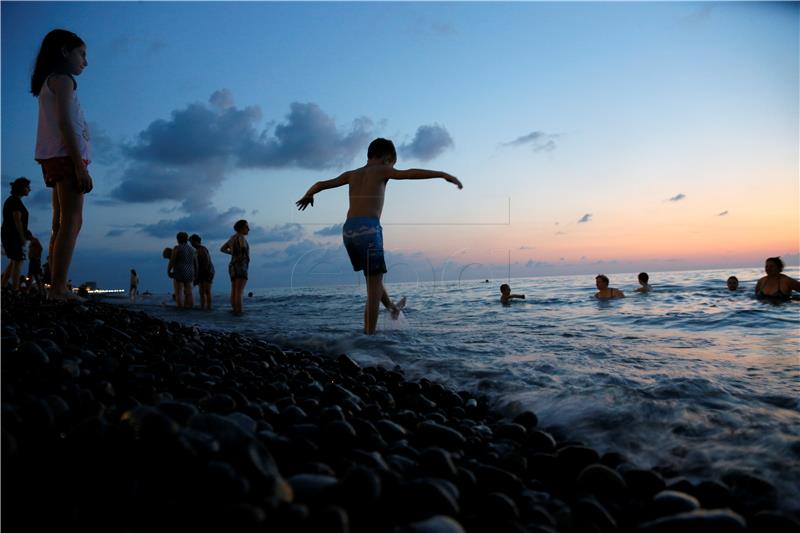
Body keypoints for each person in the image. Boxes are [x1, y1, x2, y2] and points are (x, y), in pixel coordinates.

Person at [296, 138, 462, 334]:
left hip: (348, 230)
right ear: (387, 159)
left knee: (373, 279)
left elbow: (320, 183)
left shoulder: (352, 174)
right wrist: (442, 174)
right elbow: (409, 174)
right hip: (369, 229)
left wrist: (309, 194)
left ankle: (392, 308)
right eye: (392, 164)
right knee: (373, 290)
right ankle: (368, 340)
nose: (392, 168)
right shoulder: (382, 170)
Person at [32, 29, 93, 300]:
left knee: (60, 222)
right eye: (82, 54)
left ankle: (57, 284)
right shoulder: (63, 81)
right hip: (66, 156)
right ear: (64, 51)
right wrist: (79, 165)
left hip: (54, 156)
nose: (85, 61)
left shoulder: (50, 82)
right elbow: (65, 123)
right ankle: (58, 287)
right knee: (72, 220)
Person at [1, 178, 31, 291]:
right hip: (13, 235)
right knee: (18, 261)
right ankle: (15, 289)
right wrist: (22, 236)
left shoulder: (13, 200)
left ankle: (3, 285)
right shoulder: (15, 201)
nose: (30, 189)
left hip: (9, 234)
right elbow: (17, 220)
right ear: (22, 188)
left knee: (14, 261)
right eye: (28, 187)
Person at [221, 220, 250, 315]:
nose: (248, 229)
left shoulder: (232, 238)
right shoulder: (241, 237)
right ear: (241, 228)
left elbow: (222, 249)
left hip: (232, 265)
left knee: (234, 290)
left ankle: (234, 311)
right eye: (247, 227)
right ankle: (239, 312)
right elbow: (243, 248)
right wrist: (241, 256)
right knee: (240, 291)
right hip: (241, 265)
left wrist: (233, 253)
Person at [167, 232, 197, 308]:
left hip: (180, 271)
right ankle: (190, 309)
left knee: (179, 291)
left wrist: (168, 270)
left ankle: (180, 310)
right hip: (190, 271)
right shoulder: (192, 249)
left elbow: (172, 261)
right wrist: (196, 273)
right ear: (187, 239)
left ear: (178, 239)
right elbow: (196, 263)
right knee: (189, 292)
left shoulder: (177, 248)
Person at [189, 234, 214, 310]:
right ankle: (203, 307)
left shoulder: (202, 249)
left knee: (206, 291)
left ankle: (208, 308)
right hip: (202, 272)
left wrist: (199, 275)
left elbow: (206, 262)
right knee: (201, 292)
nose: (191, 243)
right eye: (190, 242)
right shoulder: (197, 250)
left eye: (192, 241)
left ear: (196, 241)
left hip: (207, 272)